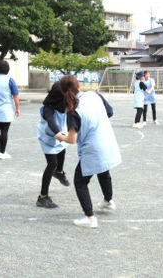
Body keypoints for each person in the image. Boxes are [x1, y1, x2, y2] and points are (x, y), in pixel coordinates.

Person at [56, 74, 121, 228]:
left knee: (80, 181)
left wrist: (60, 136)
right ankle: (108, 200)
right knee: (103, 169)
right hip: (107, 138)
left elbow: (71, 139)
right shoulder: (93, 94)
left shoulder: (73, 110)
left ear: (64, 92)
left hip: (93, 146)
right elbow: (109, 112)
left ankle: (90, 217)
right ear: (79, 86)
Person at [36, 81, 71, 209]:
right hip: (48, 137)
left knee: (62, 150)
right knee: (52, 163)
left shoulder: (65, 103)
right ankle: (42, 197)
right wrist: (58, 133)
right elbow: (51, 121)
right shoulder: (48, 107)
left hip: (60, 134)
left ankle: (59, 172)